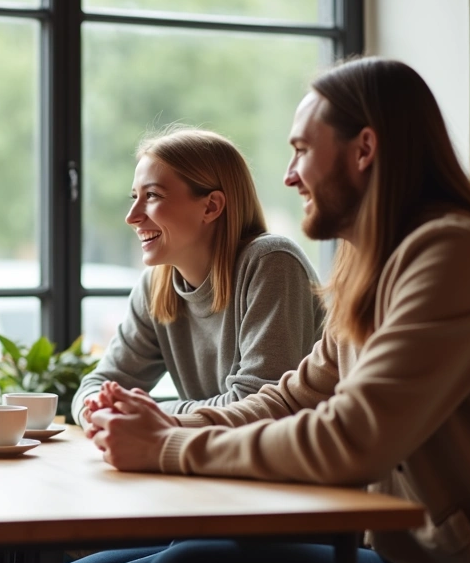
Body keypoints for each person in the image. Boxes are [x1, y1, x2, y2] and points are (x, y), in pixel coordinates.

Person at [62, 57, 470, 563]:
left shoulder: (456, 255)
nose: (288, 175)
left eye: (302, 150)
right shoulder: (375, 266)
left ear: (364, 149)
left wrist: (165, 446)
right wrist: (165, 426)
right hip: (413, 554)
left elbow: (352, 437)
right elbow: (292, 397)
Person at [73, 127, 324, 429]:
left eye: (152, 195)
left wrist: (150, 414)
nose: (132, 216)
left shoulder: (271, 263)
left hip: (300, 470)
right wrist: (99, 412)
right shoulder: (156, 285)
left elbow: (260, 405)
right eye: (134, 197)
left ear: (211, 206)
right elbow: (97, 385)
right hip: (212, 466)